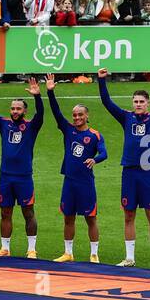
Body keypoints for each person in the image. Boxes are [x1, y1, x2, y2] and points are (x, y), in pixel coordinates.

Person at [97, 68, 150, 268]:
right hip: (129, 172)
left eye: (141, 102)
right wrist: (102, 80)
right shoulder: (126, 117)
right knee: (128, 214)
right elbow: (107, 103)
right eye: (136, 101)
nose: (138, 104)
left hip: (147, 173)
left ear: (148, 103)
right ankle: (130, 258)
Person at [0, 57, 44, 258]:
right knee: (5, 212)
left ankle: (31, 249)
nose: (15, 111)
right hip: (5, 176)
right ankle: (5, 248)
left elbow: (41, 115)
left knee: (28, 213)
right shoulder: (4, 124)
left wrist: (38, 96)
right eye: (13, 108)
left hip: (24, 177)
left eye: (18, 109)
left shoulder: (32, 126)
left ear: (25, 111)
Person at [46, 74, 107, 263]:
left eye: (80, 115)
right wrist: (50, 92)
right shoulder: (68, 130)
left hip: (86, 183)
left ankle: (94, 254)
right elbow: (56, 112)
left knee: (90, 218)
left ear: (87, 116)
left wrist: (95, 160)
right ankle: (68, 253)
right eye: (74, 115)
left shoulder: (95, 135)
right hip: (70, 181)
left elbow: (104, 153)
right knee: (68, 217)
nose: (77, 117)